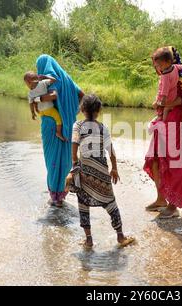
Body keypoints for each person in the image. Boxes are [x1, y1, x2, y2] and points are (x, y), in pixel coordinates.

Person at [67, 95, 135, 249]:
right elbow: (110, 149)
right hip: (102, 170)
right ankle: (120, 236)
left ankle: (89, 239)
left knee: (83, 204)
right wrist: (115, 168)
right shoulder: (102, 127)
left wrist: (74, 164)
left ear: (82, 110)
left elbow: (74, 144)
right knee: (110, 202)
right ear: (98, 111)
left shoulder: (77, 125)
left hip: (84, 168)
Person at [144, 47, 182, 219]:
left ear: (169, 62)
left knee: (174, 163)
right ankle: (161, 199)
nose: (157, 68)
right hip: (163, 121)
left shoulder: (178, 76)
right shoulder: (166, 75)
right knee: (155, 158)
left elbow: (181, 100)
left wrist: (164, 106)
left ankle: (173, 205)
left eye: (159, 64)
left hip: (176, 122)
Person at [35, 54, 84, 207]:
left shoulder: (51, 78)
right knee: (64, 160)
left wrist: (36, 98)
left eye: (39, 67)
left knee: (52, 160)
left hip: (51, 125)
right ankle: (61, 195)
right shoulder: (67, 78)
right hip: (68, 125)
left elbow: (54, 95)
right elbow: (82, 95)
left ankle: (55, 197)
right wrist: (72, 113)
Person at [24, 71, 66, 142]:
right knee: (58, 119)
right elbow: (54, 80)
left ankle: (47, 133)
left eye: (26, 84)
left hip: (41, 112)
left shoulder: (30, 93)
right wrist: (46, 77)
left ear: (29, 82)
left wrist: (33, 113)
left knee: (45, 122)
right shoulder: (43, 83)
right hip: (49, 109)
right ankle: (58, 132)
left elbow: (31, 104)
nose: (27, 85)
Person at [151, 47, 182, 123]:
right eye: (158, 66)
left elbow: (164, 89)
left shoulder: (165, 76)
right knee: (165, 108)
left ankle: (162, 120)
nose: (160, 68)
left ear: (168, 62)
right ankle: (161, 117)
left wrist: (161, 101)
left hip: (166, 97)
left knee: (159, 107)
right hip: (173, 94)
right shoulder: (175, 67)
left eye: (160, 66)